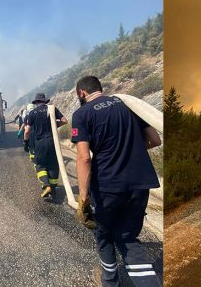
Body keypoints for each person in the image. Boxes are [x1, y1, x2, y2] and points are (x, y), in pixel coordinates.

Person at [71, 76, 162, 287]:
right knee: (128, 238)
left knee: (103, 234)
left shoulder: (82, 114)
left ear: (81, 93)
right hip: (140, 182)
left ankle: (110, 281)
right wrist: (129, 152)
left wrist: (83, 199)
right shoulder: (128, 104)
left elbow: (84, 157)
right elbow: (155, 140)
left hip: (108, 186)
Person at [24, 93, 67, 198]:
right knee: (53, 164)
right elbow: (64, 121)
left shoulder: (32, 113)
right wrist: (55, 125)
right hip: (53, 141)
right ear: (44, 101)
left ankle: (46, 185)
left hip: (40, 143)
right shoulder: (52, 109)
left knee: (40, 164)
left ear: (36, 102)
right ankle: (53, 188)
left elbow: (27, 131)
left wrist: (26, 143)